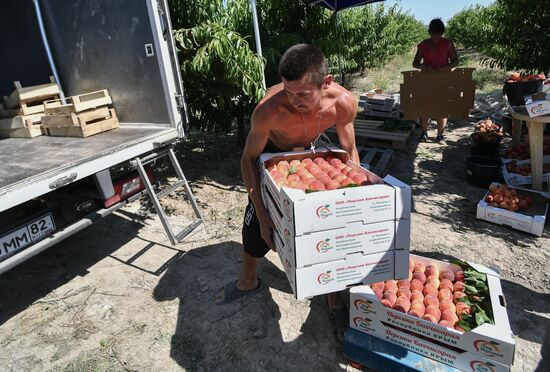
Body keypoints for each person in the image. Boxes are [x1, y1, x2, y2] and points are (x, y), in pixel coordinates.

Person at [215, 44, 360, 341]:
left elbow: (349, 150)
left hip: (306, 150)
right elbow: (247, 159)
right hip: (269, 153)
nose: (294, 100)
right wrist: (264, 211)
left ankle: (332, 298)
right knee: (257, 225)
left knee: (328, 224)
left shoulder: (344, 103)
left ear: (327, 82)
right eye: (288, 91)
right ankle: (248, 280)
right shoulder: (269, 110)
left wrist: (352, 195)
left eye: (303, 94)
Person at [412, 18, 459, 145]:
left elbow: (456, 61)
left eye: (438, 34)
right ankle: (424, 133)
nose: (435, 37)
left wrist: (445, 68)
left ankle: (440, 135)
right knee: (425, 107)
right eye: (433, 34)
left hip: (443, 79)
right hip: (426, 79)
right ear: (430, 32)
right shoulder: (423, 44)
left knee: (442, 108)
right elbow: (415, 63)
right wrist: (423, 67)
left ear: (442, 33)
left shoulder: (448, 43)